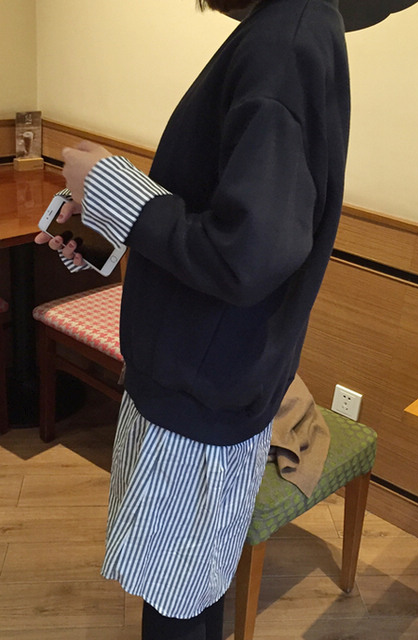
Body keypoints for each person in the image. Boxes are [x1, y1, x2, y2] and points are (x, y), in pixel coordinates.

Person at [35, 0, 350, 638]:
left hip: (198, 398)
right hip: (207, 384)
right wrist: (109, 222)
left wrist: (112, 185)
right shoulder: (293, 30)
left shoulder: (283, 44)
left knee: (176, 603)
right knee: (190, 588)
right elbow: (227, 225)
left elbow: (246, 255)